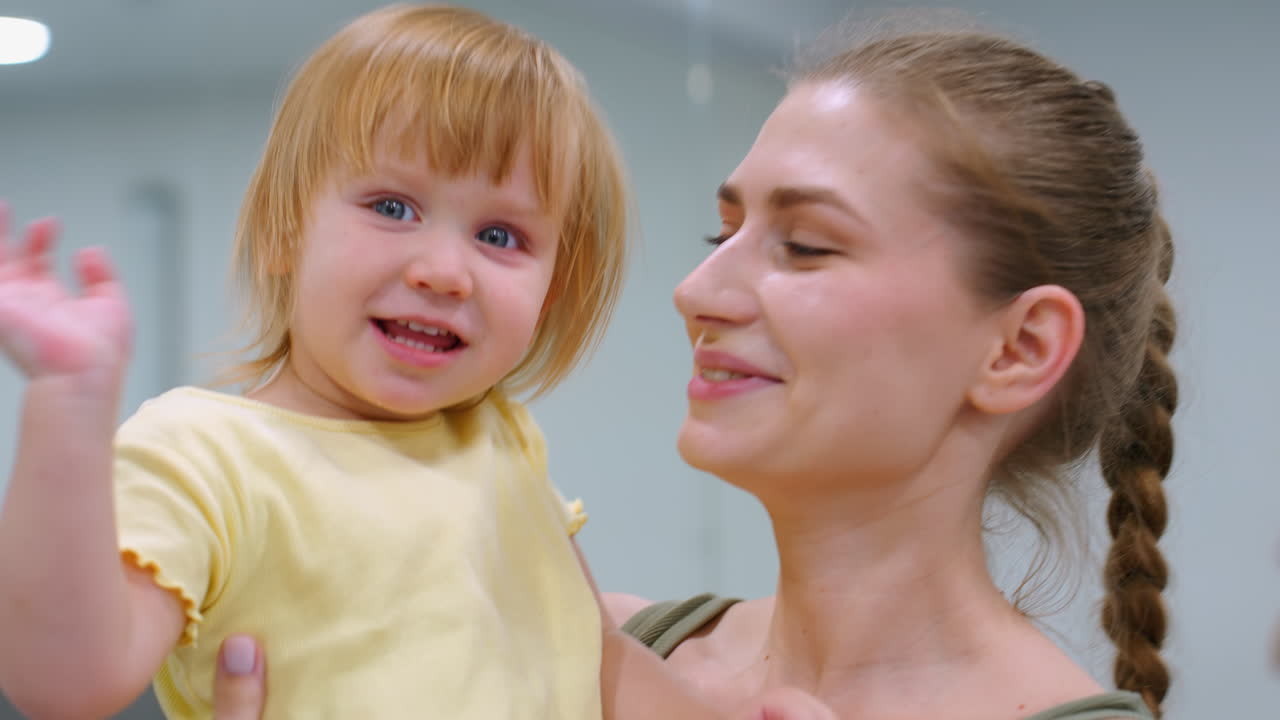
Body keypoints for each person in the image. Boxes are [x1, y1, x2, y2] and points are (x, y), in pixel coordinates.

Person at [206, 19, 1180, 720]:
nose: (695, 291)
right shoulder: (575, 653)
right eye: (720, 234)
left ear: (1017, 349)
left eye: (805, 246)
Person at [0, 5, 803, 720]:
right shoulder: (205, 454)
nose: (444, 271)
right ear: (284, 232)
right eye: (392, 207)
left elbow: (595, 660)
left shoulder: (500, 443)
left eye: (500, 236)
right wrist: (67, 403)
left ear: (553, 290)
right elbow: (66, 682)